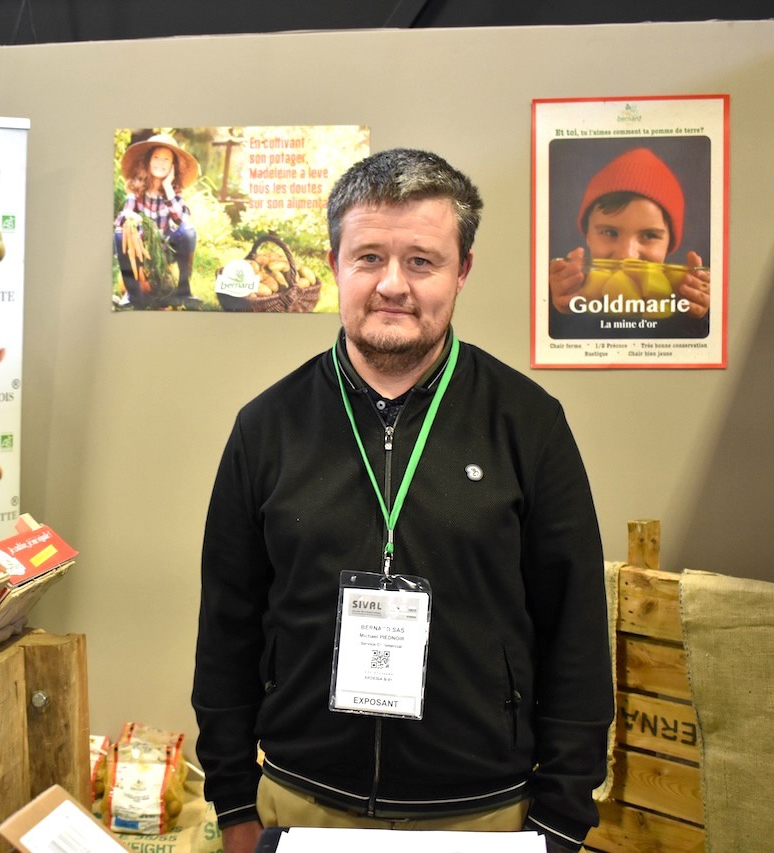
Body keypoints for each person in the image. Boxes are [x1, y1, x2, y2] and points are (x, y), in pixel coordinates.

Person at [193, 148, 613, 853]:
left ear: (462, 270)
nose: (393, 284)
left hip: (485, 815)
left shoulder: (528, 424)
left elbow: (575, 629)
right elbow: (226, 627)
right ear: (335, 264)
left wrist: (561, 818)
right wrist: (233, 798)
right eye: (369, 258)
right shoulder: (267, 428)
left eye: (421, 261)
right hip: (300, 804)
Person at [547, 146, 711, 338]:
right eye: (609, 232)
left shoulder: (680, 299)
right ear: (588, 236)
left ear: (669, 244)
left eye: (649, 235)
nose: (627, 255)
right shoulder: (570, 289)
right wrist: (558, 310)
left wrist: (696, 319)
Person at [114, 132, 201, 309]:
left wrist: (168, 187)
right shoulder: (137, 187)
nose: (161, 163)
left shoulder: (174, 190)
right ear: (148, 160)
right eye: (156, 157)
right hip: (141, 250)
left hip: (166, 248)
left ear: (172, 166)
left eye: (166, 159)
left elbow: (180, 220)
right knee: (119, 233)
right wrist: (130, 216)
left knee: (188, 231)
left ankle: (184, 292)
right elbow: (124, 216)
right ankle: (133, 294)